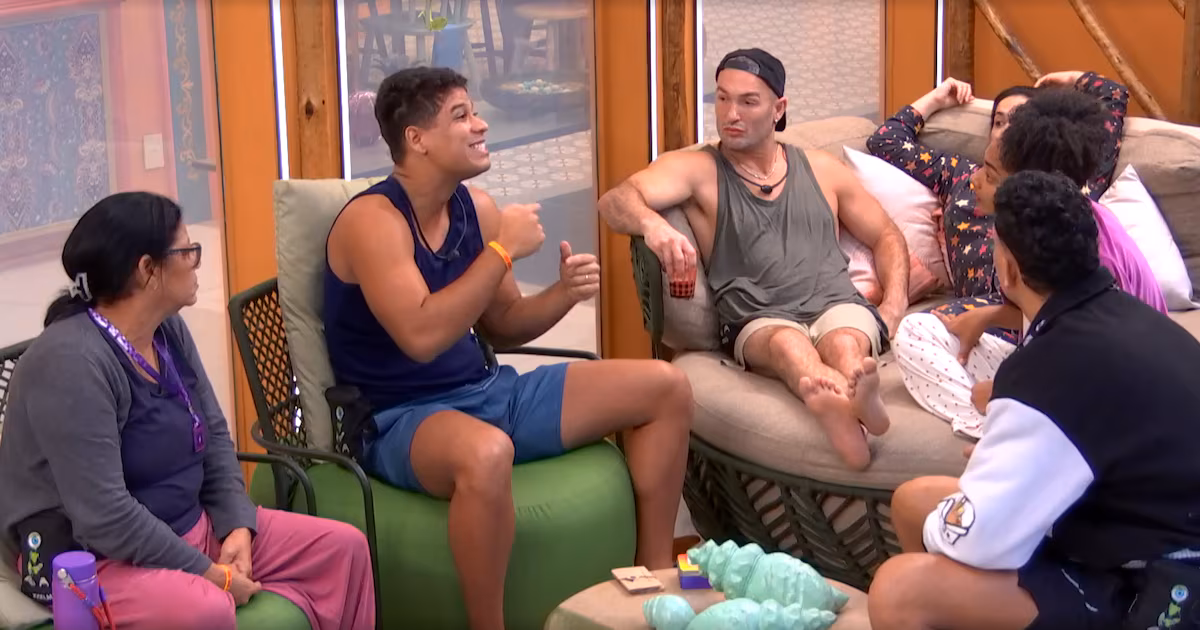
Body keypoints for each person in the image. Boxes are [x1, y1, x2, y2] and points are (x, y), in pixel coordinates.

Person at [323, 67, 693, 630]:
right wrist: (500, 253)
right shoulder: (373, 222)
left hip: (490, 393)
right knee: (487, 453)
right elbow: (421, 337)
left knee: (666, 387)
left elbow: (503, 325)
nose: (481, 124)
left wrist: (562, 294)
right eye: (462, 116)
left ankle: (653, 583)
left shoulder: (476, 208)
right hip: (399, 417)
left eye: (474, 112)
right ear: (417, 139)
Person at [0, 193, 375, 630]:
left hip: (192, 527)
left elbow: (213, 435)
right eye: (188, 251)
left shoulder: (167, 330)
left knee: (343, 549)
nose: (197, 262)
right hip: (91, 560)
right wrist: (209, 572)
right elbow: (105, 517)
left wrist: (236, 525)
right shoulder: (71, 362)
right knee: (206, 609)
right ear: (147, 269)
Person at [867, 170, 1200, 630]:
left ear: (1009, 269)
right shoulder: (1135, 320)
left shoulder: (1045, 370)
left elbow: (980, 539)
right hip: (1124, 529)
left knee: (899, 588)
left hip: (1163, 588)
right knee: (913, 501)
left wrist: (989, 495)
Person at [596, 48, 910, 471]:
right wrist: (654, 226)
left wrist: (894, 304)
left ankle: (852, 400)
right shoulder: (698, 170)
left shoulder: (822, 169)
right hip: (757, 318)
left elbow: (886, 234)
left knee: (845, 345)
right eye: (722, 98)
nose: (731, 114)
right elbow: (615, 201)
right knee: (788, 346)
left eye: (748, 102)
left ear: (779, 109)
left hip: (838, 304)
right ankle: (847, 405)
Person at [891, 87, 1165, 440]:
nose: (974, 180)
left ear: (1029, 185)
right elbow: (1053, 317)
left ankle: (996, 436)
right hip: (1074, 365)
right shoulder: (1051, 223)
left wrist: (1005, 393)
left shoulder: (1084, 254)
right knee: (918, 331)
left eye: (991, 175)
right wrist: (991, 316)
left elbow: (1099, 362)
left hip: (1111, 395)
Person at [867, 70, 1129, 298]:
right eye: (999, 122)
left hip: (1036, 308)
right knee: (917, 327)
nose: (1007, 131)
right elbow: (885, 141)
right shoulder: (963, 174)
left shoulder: (1065, 185)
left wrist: (1071, 78)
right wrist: (936, 98)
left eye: (1020, 122)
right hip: (977, 308)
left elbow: (1113, 94)